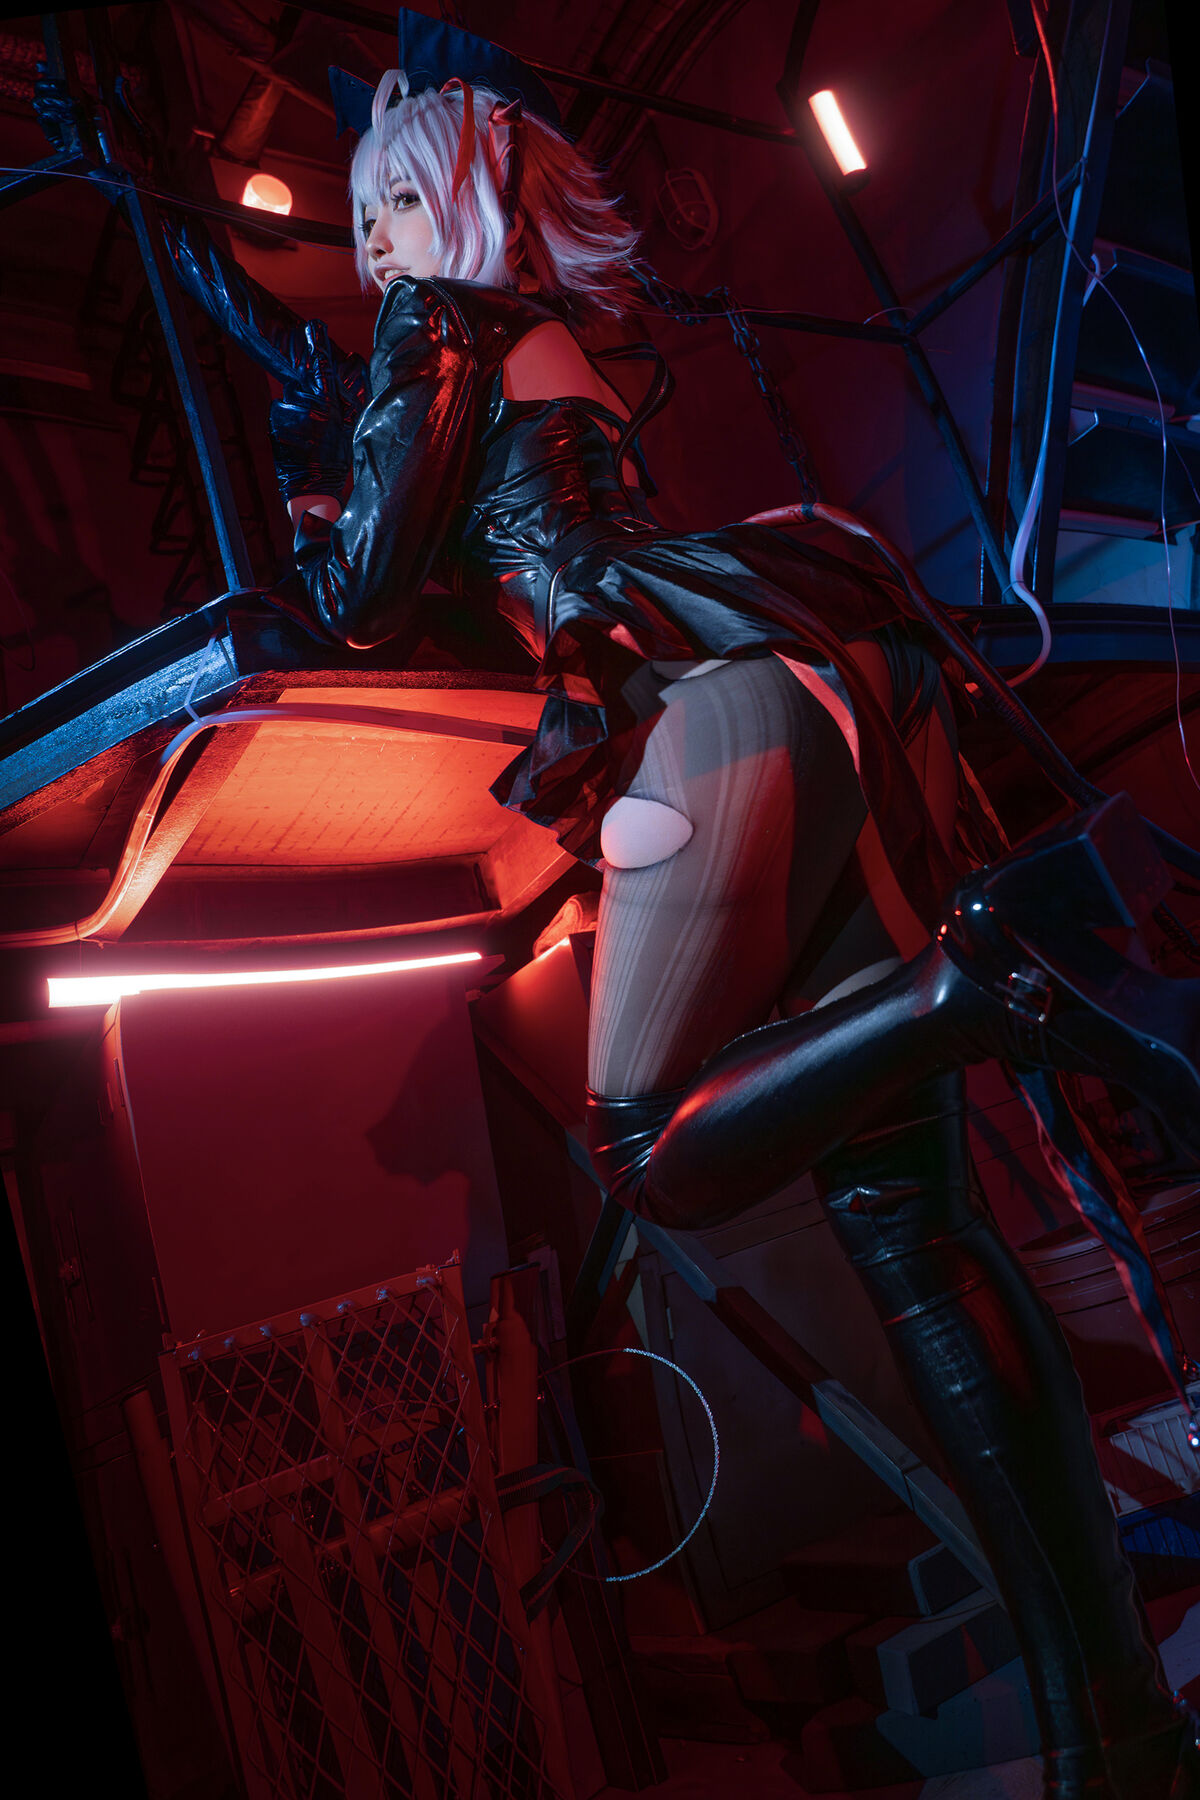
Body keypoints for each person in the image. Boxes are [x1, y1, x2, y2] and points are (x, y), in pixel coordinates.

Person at [157, 19, 1200, 1797]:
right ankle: (1122, 1733)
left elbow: (359, 596)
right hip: (815, 688)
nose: (372, 240)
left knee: (649, 1148)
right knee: (915, 1235)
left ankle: (985, 986)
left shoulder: (438, 324)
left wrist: (327, 504)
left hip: (703, 714)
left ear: (441, 198)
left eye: (385, 204)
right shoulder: (548, 330)